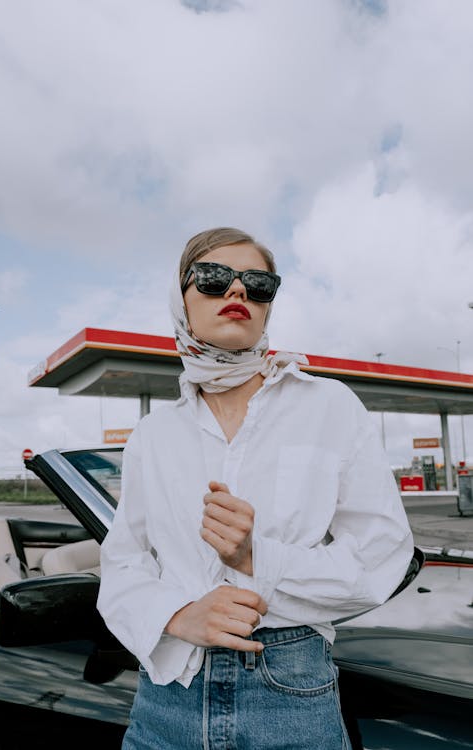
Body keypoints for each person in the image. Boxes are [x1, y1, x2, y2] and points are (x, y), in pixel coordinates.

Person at [97, 227, 414, 750]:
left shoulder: (328, 406)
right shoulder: (154, 433)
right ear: (182, 299)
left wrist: (256, 557)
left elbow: (383, 558)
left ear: (268, 305)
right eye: (215, 278)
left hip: (289, 689)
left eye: (257, 283)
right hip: (167, 694)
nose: (237, 291)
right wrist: (178, 615)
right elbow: (123, 563)